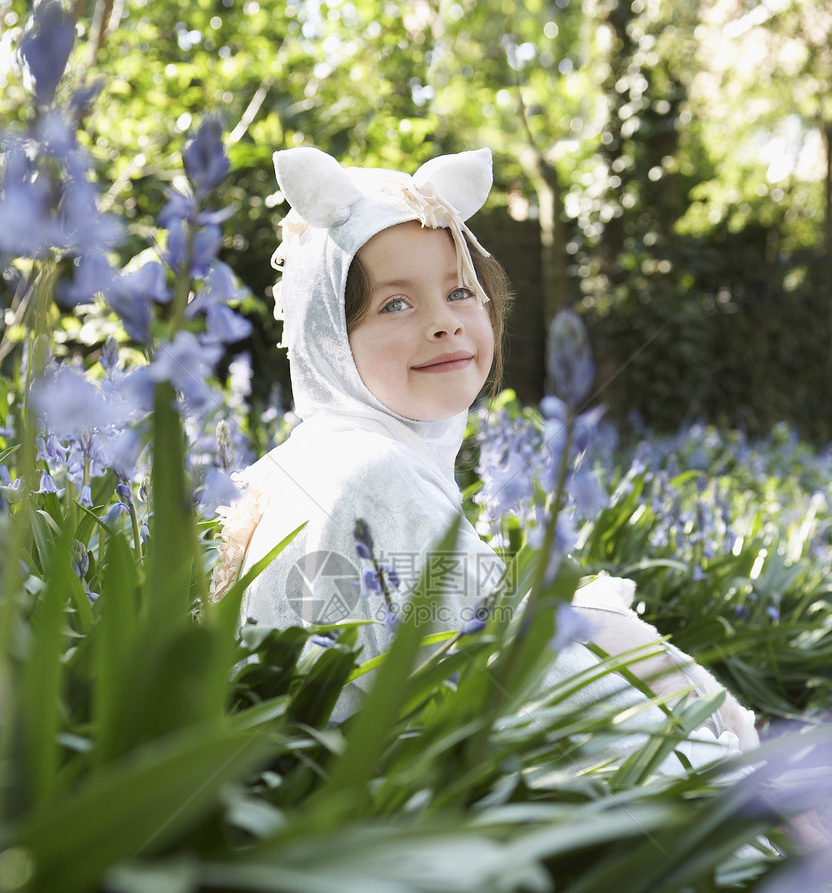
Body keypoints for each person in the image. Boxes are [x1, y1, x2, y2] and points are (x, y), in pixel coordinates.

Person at [212, 144, 757, 766]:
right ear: (328, 339)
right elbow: (542, 699)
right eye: (395, 303)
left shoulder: (320, 456)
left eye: (460, 293)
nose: (444, 323)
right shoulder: (370, 472)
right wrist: (729, 785)